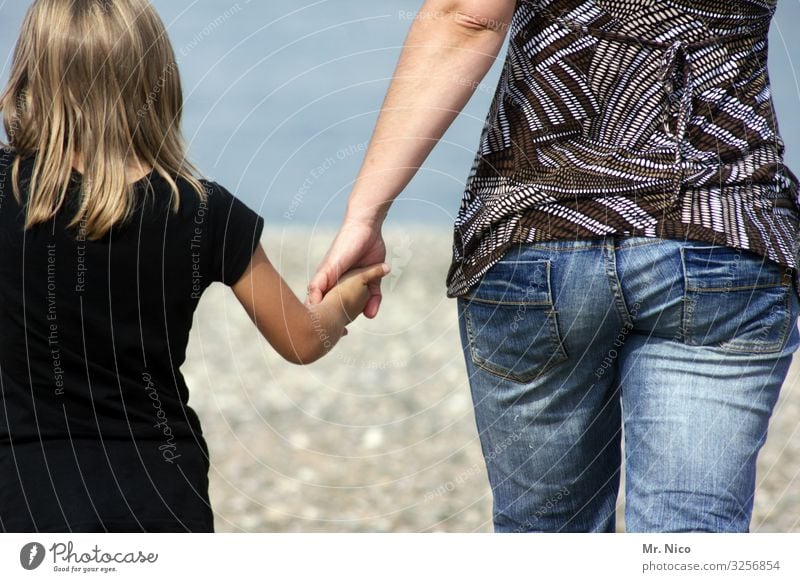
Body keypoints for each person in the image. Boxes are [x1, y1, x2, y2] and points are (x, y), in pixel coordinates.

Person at [309, 0, 800, 532]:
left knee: (544, 536)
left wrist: (366, 214)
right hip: (718, 231)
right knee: (691, 537)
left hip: (535, 234)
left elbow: (466, 17)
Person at [0, 0, 389, 533]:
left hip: (25, 492)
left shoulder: (6, 189)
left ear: (28, 75)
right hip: (160, 493)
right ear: (158, 81)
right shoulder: (204, 211)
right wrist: (346, 297)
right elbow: (301, 339)